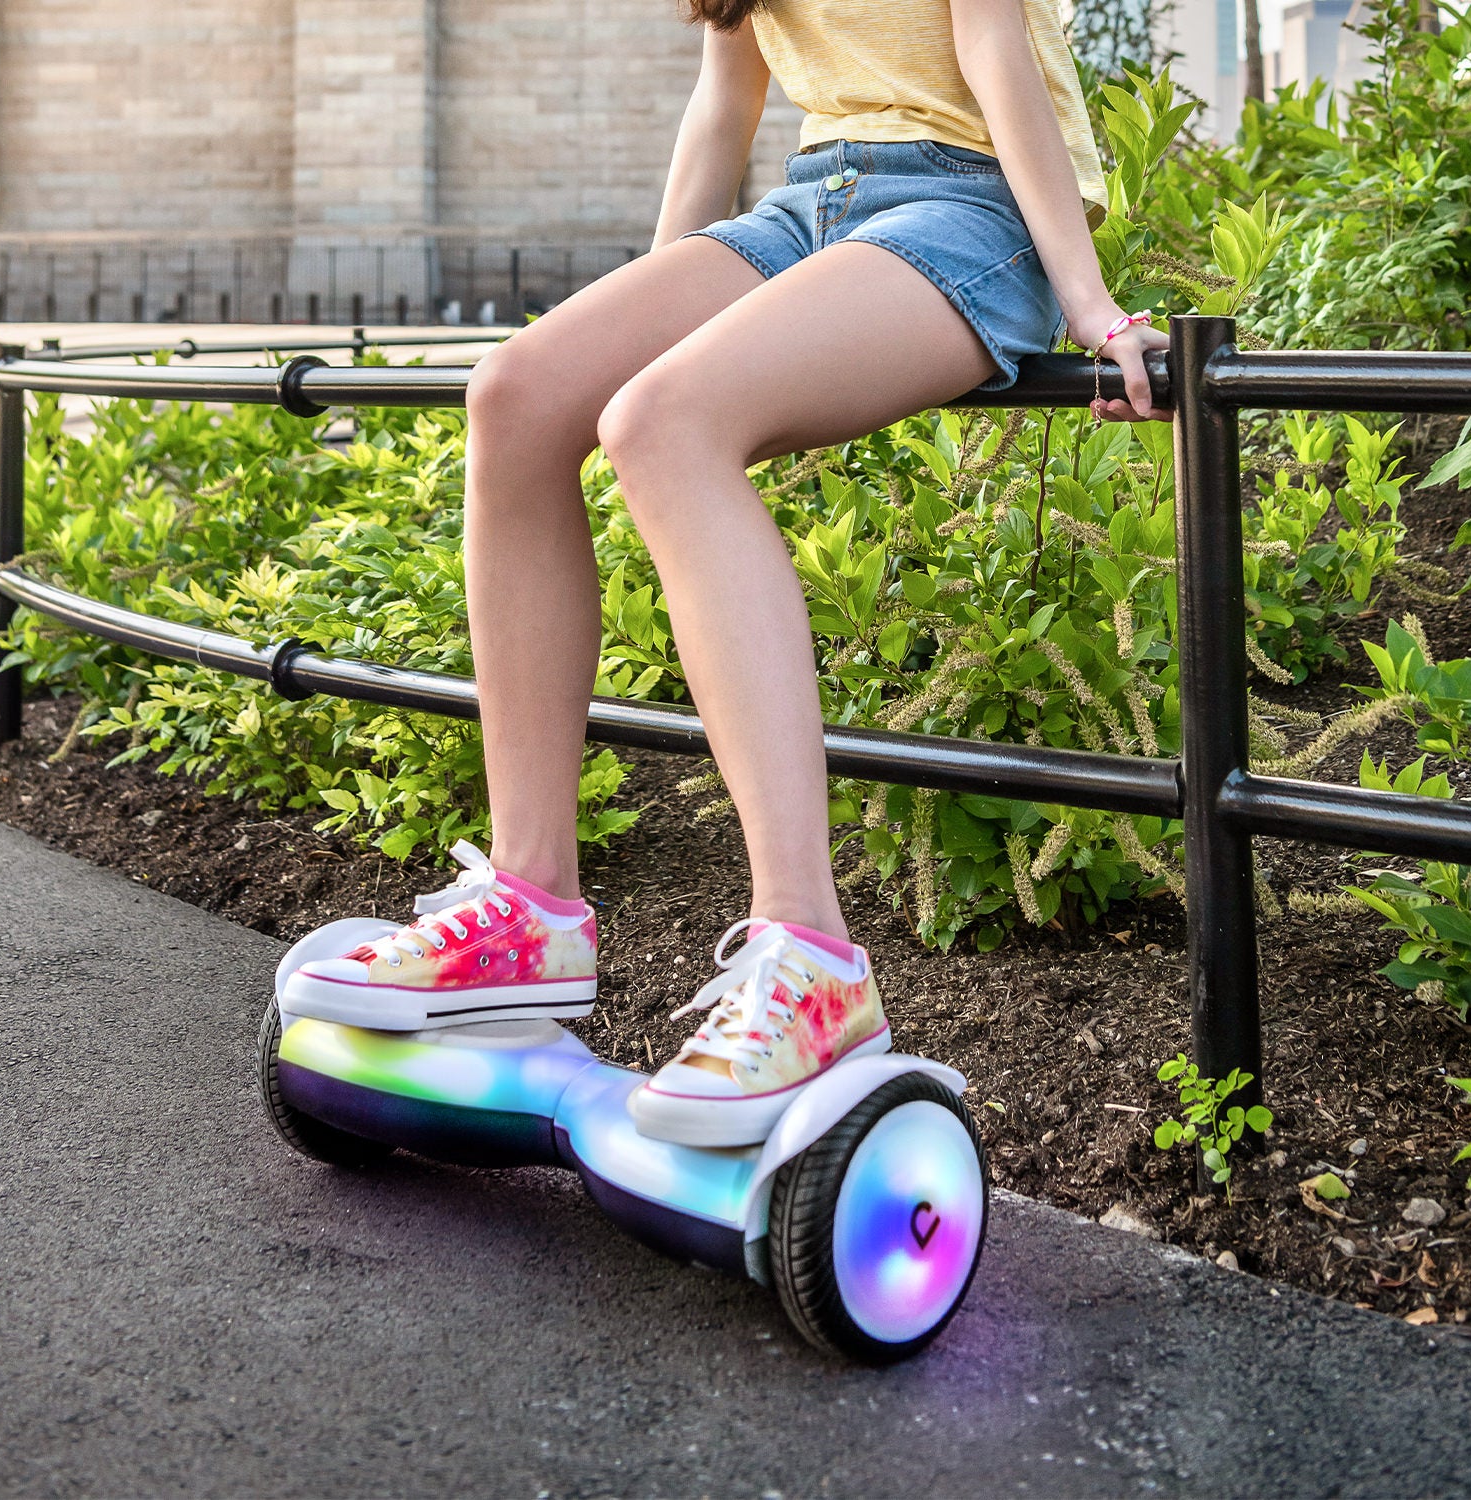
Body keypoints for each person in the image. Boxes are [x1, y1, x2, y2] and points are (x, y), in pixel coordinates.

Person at [279, 0, 1175, 1148]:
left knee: (662, 421)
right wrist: (651, 319)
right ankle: (532, 907)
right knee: (517, 395)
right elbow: (724, 102)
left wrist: (1094, 308)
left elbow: (997, 49)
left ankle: (812, 963)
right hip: (811, 205)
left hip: (971, 204)